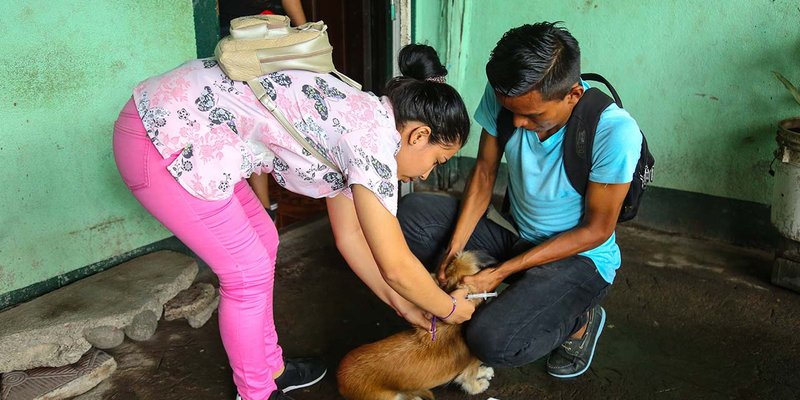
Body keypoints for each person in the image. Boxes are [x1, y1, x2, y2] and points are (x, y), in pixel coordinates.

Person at [112, 44, 475, 400]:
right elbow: (396, 266)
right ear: (419, 136)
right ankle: (256, 393)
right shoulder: (373, 145)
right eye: (438, 161)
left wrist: (404, 305)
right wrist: (452, 309)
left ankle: (270, 369)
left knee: (263, 240)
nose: (427, 174)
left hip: (190, 131)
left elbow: (350, 237)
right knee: (246, 271)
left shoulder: (366, 116)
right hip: (160, 138)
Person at [398, 22, 643, 378]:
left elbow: (597, 231)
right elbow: (484, 173)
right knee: (412, 215)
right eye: (510, 110)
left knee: (492, 341)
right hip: (518, 239)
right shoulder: (509, 96)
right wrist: (455, 249)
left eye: (533, 115)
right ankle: (517, 297)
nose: (517, 121)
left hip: (580, 258)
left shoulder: (613, 131)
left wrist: (499, 273)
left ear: (572, 95)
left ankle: (578, 319)